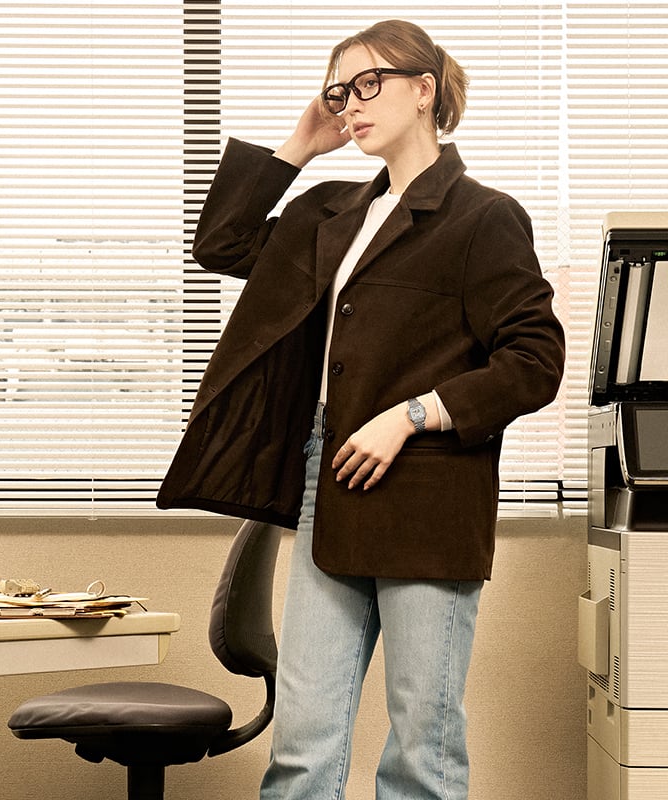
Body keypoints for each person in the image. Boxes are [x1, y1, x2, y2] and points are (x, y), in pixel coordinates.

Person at [158, 18, 565, 800]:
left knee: (422, 746)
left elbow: (534, 361)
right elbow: (221, 243)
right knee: (303, 745)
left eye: (369, 82)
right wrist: (298, 146)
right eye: (340, 90)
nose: (351, 102)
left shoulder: (484, 217)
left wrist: (412, 414)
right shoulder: (327, 214)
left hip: (430, 500)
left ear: (425, 90)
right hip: (329, 481)